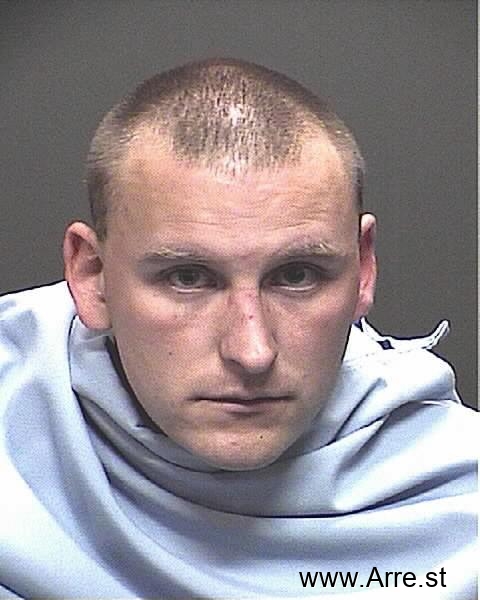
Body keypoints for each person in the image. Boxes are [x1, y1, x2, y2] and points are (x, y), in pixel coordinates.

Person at [0, 58, 477, 599]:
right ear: (92, 277)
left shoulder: (461, 504)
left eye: (297, 276)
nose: (253, 352)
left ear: (363, 270)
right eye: (187, 278)